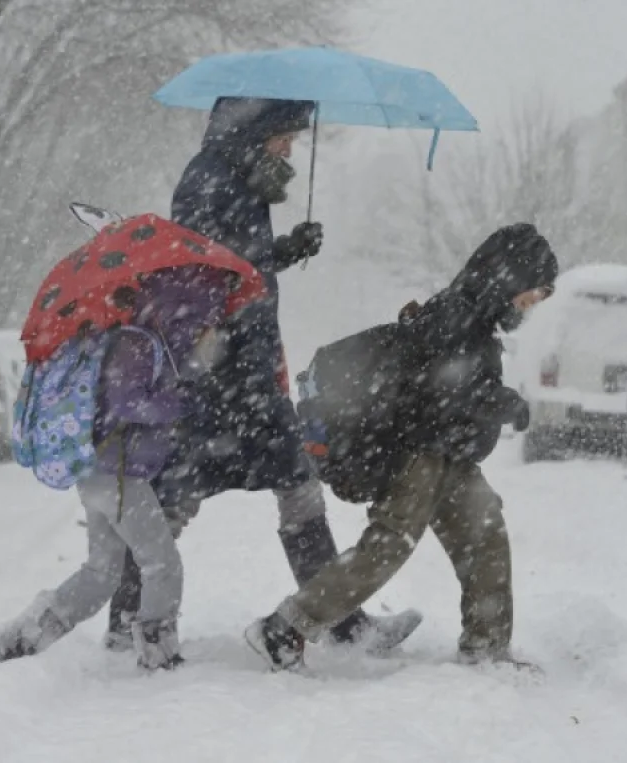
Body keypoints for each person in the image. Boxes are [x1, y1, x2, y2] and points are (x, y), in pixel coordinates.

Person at [102, 96, 422, 653]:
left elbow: (237, 265)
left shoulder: (241, 176)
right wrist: (273, 253)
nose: (290, 150)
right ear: (256, 132)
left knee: (296, 487)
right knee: (176, 499)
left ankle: (340, 623)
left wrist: (277, 254)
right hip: (211, 376)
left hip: (244, 370)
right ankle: (128, 621)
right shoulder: (209, 180)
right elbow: (202, 268)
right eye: (284, 138)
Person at [244, 223, 559, 671]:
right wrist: (499, 402)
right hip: (419, 454)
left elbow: (457, 391)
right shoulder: (454, 312)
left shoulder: (477, 318)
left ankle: (486, 648)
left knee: (485, 536)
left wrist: (488, 405)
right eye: (532, 292)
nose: (531, 305)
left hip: (452, 455)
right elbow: (440, 393)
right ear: (511, 276)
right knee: (386, 548)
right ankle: (284, 627)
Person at [0, 265, 239, 671]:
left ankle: (23, 636)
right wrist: (179, 405)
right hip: (120, 476)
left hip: (104, 474)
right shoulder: (136, 344)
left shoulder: (144, 341)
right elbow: (126, 403)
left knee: (102, 572)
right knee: (161, 563)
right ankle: (159, 650)